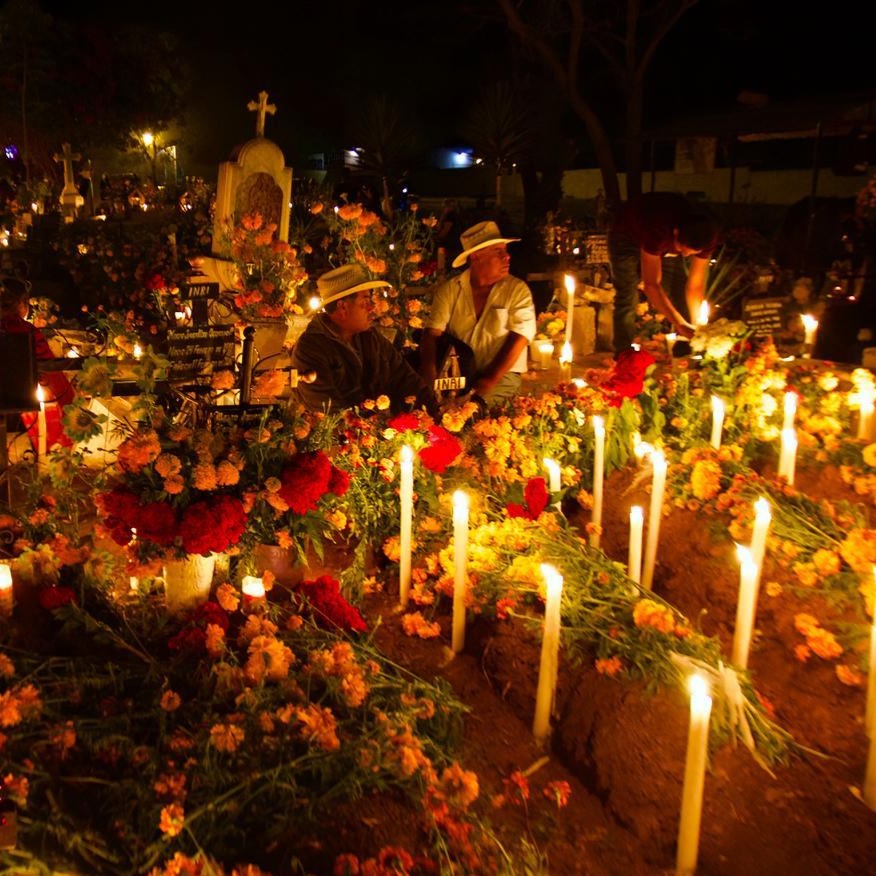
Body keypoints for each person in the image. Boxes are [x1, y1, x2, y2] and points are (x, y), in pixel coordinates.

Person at [290, 263, 439, 417]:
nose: (372, 308)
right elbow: (328, 411)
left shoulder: (370, 337)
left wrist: (434, 414)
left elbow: (405, 377)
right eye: (365, 302)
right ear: (343, 307)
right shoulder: (311, 349)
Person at [419, 220, 536, 408]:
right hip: (458, 377)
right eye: (498, 252)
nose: (507, 257)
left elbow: (520, 337)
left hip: (502, 377)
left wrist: (488, 381)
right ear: (476, 256)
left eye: (505, 251)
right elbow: (431, 334)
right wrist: (430, 375)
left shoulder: (517, 290)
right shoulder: (450, 290)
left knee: (473, 411)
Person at [608, 192, 720, 355]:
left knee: (678, 289)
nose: (686, 255)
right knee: (627, 292)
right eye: (683, 249)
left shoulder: (707, 237)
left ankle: (686, 350)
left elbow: (695, 287)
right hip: (626, 235)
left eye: (693, 252)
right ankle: (624, 353)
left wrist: (697, 329)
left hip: (663, 239)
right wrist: (681, 325)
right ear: (676, 233)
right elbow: (651, 285)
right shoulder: (658, 229)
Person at [0, 276, 74, 449]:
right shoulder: (28, 331)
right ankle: (51, 442)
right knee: (54, 387)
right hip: (20, 396)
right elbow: (48, 365)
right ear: (22, 302)